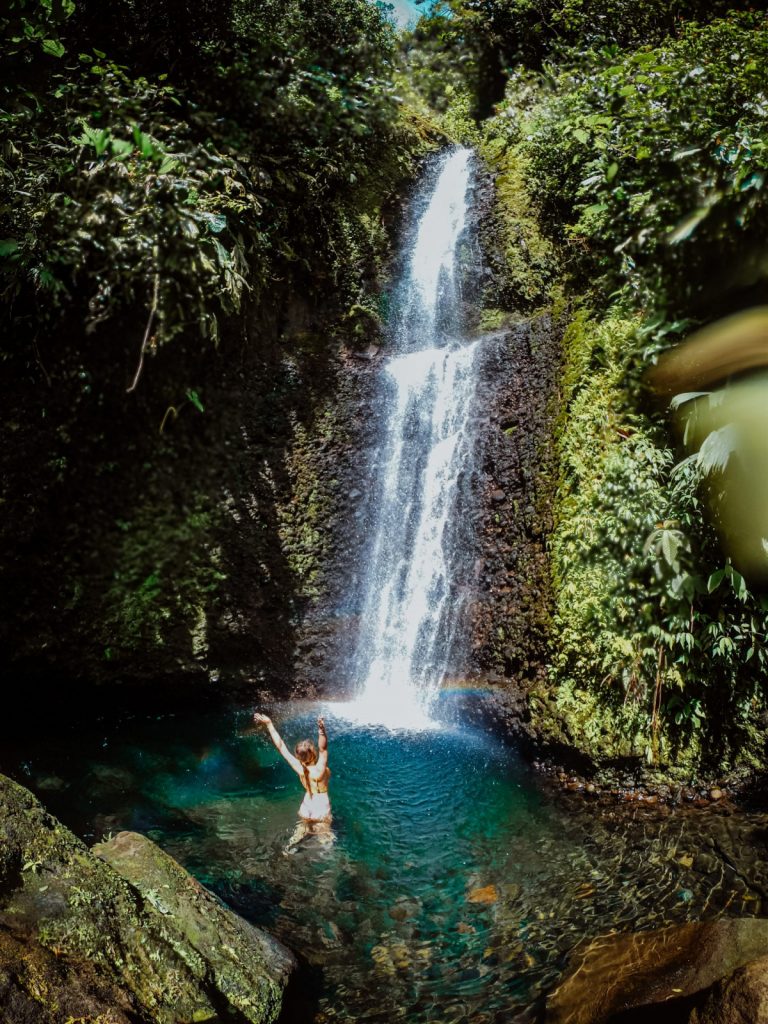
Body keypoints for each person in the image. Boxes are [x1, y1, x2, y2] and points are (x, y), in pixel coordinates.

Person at [253, 713, 332, 846]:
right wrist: (321, 730)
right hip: (321, 808)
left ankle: (289, 848)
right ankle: (327, 861)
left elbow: (280, 746)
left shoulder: (299, 768)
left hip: (306, 806)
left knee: (300, 831)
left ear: (298, 756)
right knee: (325, 839)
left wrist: (269, 724)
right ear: (313, 753)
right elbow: (323, 749)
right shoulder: (320, 769)